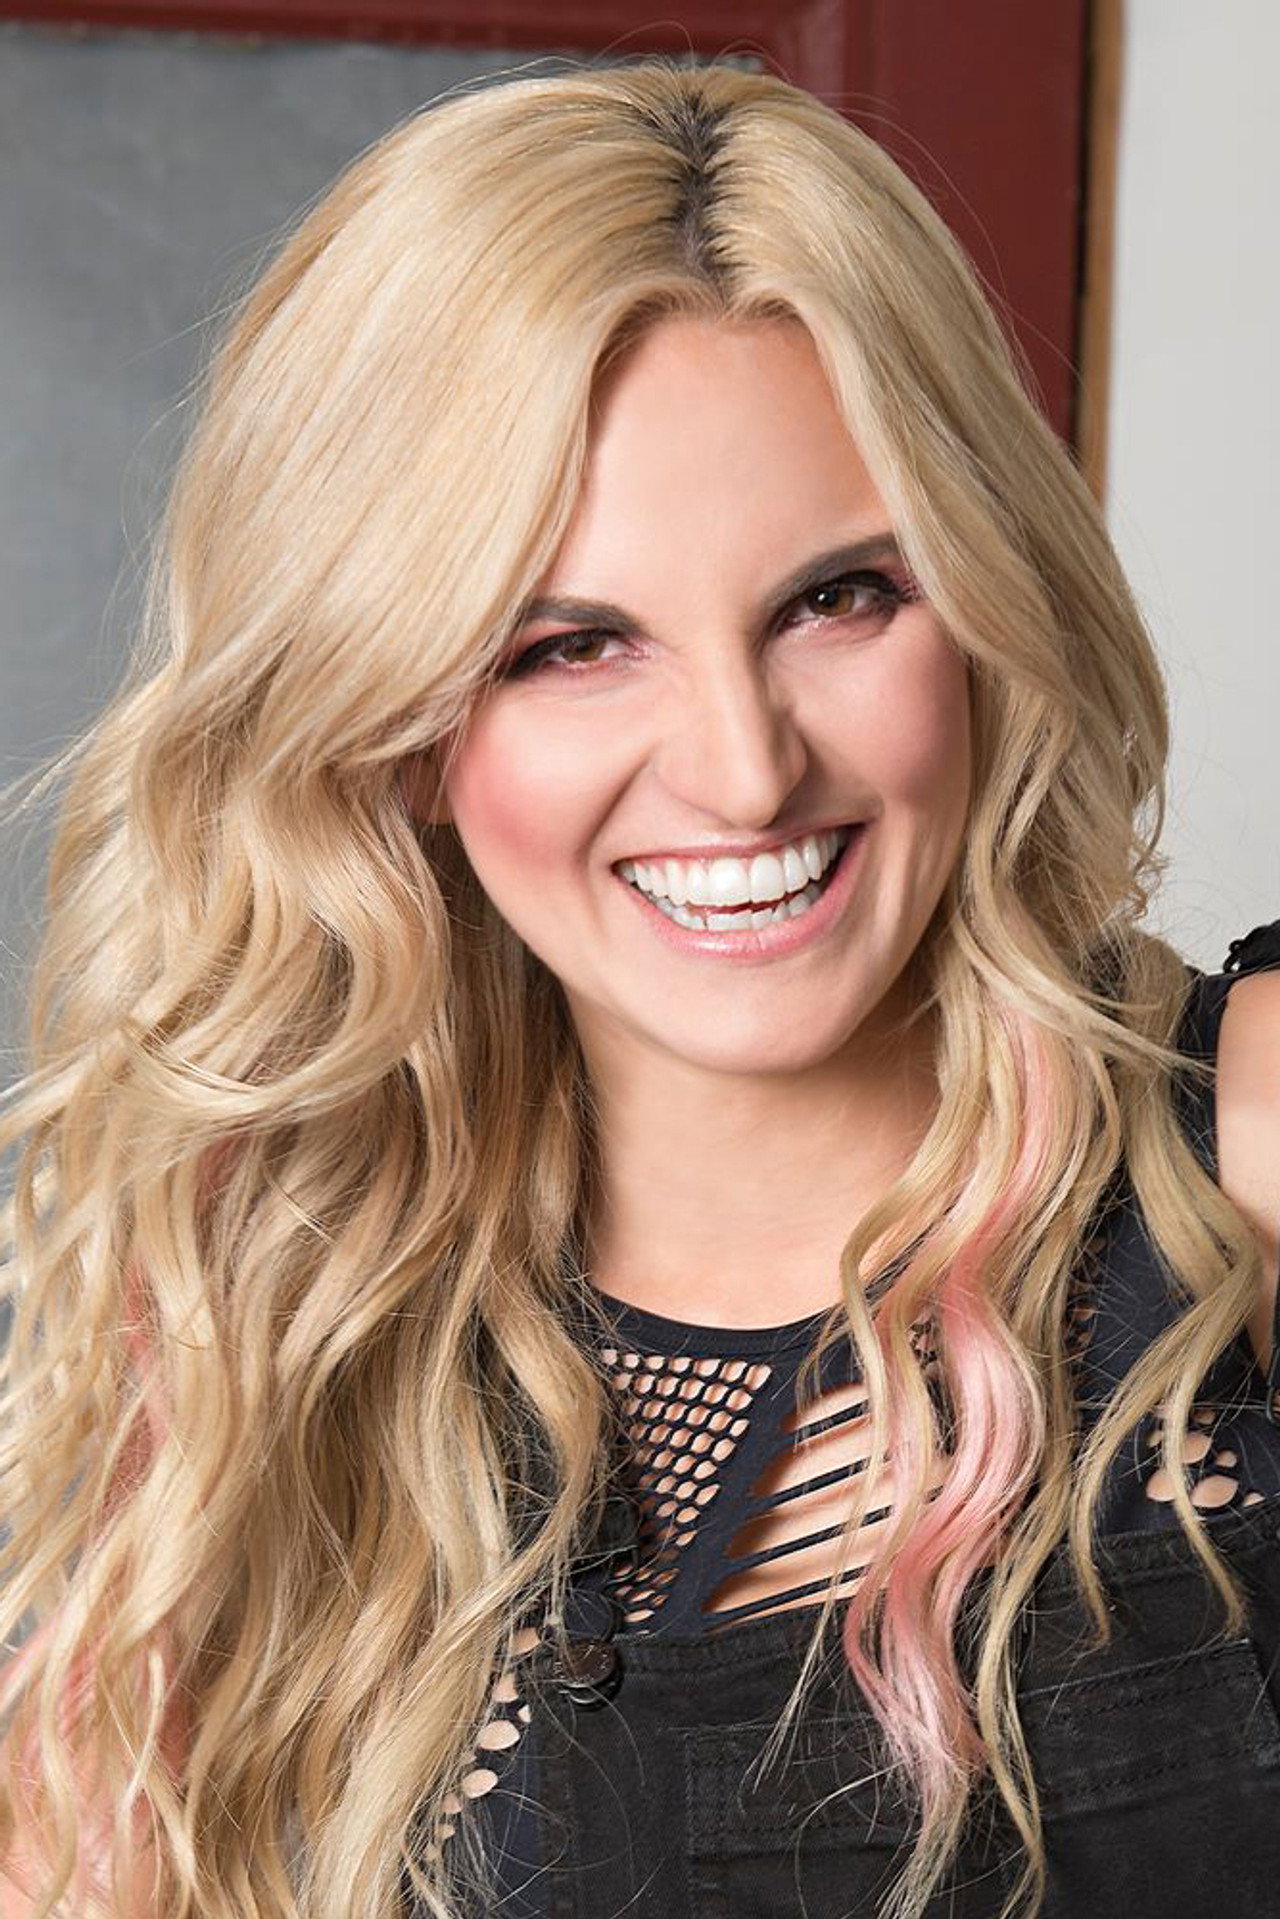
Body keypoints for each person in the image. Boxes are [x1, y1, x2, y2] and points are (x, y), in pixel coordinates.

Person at [1, 56, 1278, 1919]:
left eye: (840, 598)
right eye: (571, 646)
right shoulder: (265, 1352)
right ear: (386, 721)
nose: (745, 772)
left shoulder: (1245, 1145)